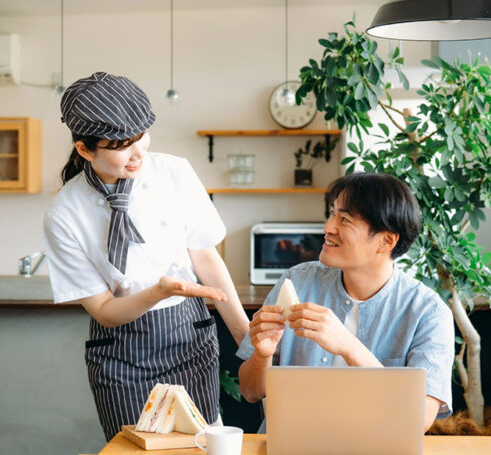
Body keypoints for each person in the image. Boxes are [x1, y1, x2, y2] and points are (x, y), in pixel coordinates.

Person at [43, 72, 249, 441]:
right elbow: (105, 310)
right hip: (121, 353)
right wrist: (160, 291)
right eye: (122, 145)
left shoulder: (174, 172)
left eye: (141, 137)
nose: (139, 153)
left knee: (202, 445)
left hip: (190, 339)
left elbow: (206, 260)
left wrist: (246, 342)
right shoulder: (64, 213)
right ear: (85, 150)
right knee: (136, 449)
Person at [237, 172, 454, 432]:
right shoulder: (298, 281)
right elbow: (250, 392)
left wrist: (349, 347)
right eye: (332, 214)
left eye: (345, 220)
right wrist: (263, 355)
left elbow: (419, 420)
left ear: (386, 240)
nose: (328, 227)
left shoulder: (428, 312)